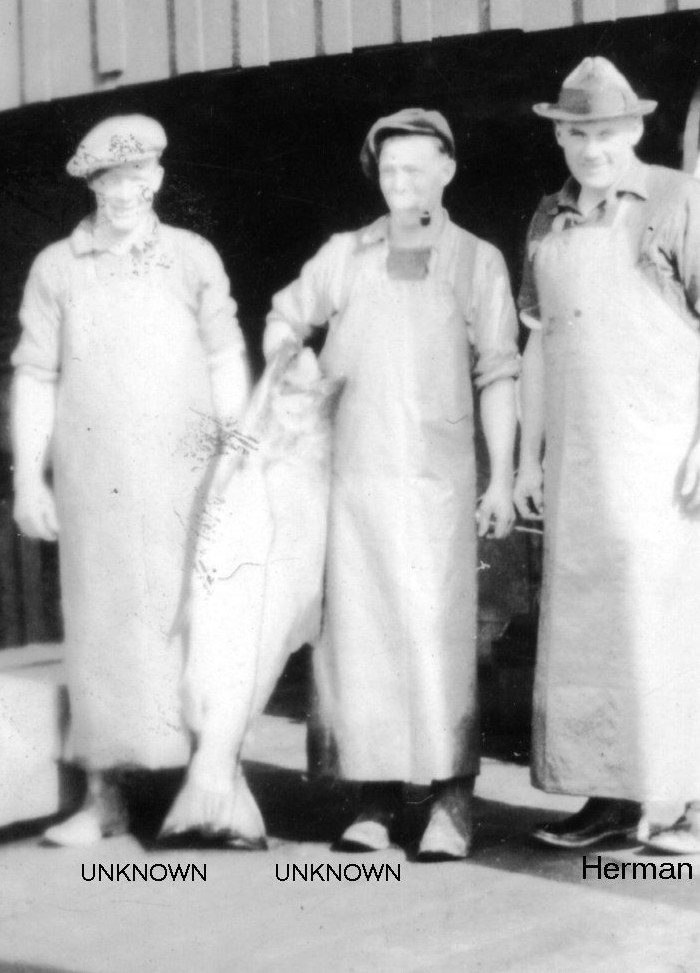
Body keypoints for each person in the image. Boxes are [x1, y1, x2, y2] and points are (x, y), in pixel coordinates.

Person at [264, 109, 520, 861]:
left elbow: (499, 367)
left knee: (440, 639)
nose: (402, 183)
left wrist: (502, 477)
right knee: (358, 641)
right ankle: (371, 802)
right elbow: (284, 319)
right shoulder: (345, 255)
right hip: (354, 486)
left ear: (448, 170)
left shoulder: (478, 261)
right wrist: (295, 367)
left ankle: (451, 803)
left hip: (439, 489)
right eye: (389, 172)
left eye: (416, 169)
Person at [513, 58, 700, 855]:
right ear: (559, 135)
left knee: (675, 626)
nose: (591, 148)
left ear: (635, 130)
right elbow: (538, 352)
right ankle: (612, 799)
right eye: (576, 133)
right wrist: (524, 464)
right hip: (581, 468)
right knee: (587, 633)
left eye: (606, 133)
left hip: (663, 461)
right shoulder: (547, 220)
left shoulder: (680, 202)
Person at [11, 114, 249, 847]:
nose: (124, 190)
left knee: (205, 630)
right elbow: (35, 375)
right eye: (109, 178)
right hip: (97, 488)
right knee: (102, 633)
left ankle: (217, 789)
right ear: (91, 183)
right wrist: (28, 476)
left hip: (191, 481)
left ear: (159, 178)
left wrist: (242, 454)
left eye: (137, 175)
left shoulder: (192, 256)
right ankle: (104, 797)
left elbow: (224, 356)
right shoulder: (58, 265)